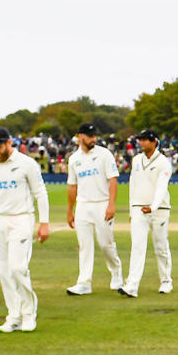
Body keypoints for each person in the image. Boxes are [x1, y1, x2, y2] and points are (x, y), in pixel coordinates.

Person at [0, 126, 49, 332]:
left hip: (22, 219)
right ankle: (13, 316)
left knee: (18, 268)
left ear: (8, 143)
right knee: (5, 271)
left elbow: (40, 193)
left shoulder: (27, 164)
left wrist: (44, 223)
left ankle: (28, 314)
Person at [65, 123, 124, 295]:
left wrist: (111, 204)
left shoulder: (104, 154)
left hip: (102, 203)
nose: (93, 139)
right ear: (80, 136)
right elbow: (72, 186)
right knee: (85, 245)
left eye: (94, 136)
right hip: (83, 205)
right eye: (90, 136)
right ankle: (84, 282)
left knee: (106, 244)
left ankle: (116, 273)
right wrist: (70, 211)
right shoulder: (74, 159)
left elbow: (113, 180)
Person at [119, 129, 173, 297]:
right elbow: (132, 185)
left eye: (145, 140)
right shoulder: (136, 160)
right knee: (137, 247)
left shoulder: (163, 162)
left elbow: (161, 187)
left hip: (159, 210)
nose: (141, 143)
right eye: (140, 140)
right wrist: (131, 209)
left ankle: (166, 281)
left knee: (160, 247)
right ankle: (132, 285)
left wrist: (153, 206)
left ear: (154, 141)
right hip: (138, 209)